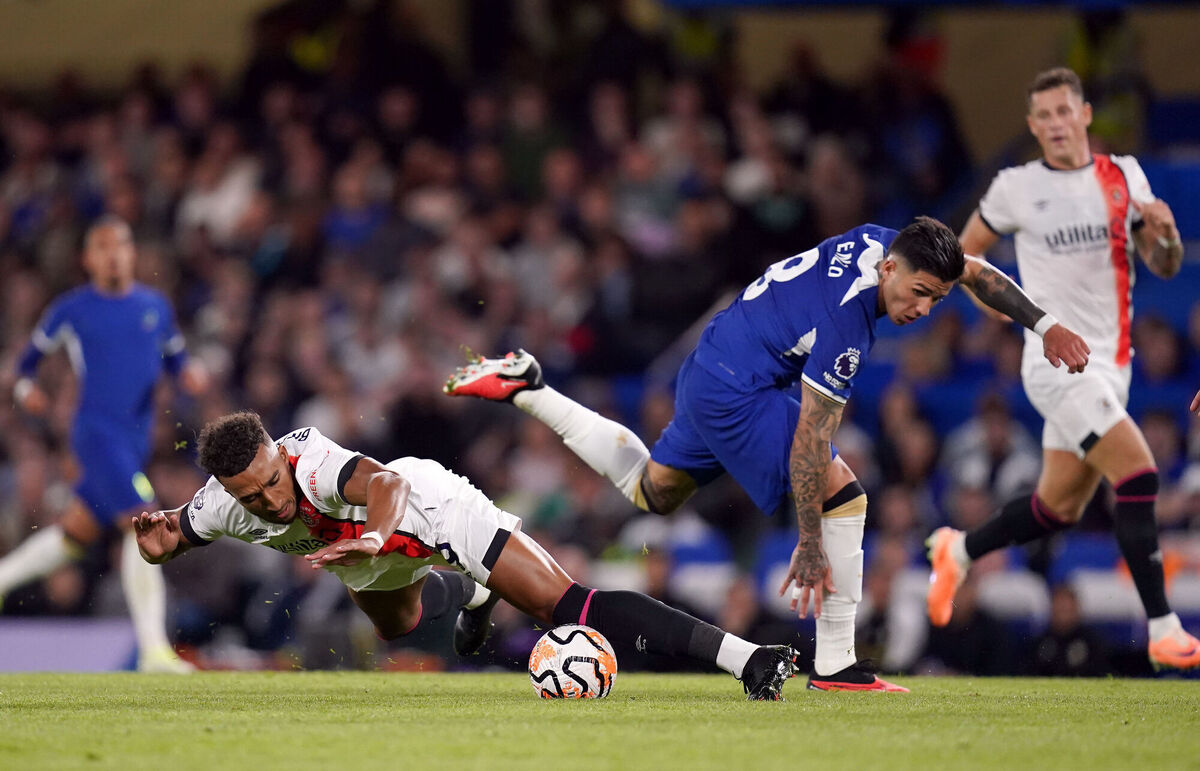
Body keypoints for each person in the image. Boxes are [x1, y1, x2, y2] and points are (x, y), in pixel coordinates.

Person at [444, 216, 1090, 691]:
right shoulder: (849, 319)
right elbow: (811, 438)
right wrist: (809, 539)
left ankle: (531, 388)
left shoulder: (885, 242)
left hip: (720, 359)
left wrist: (1043, 323)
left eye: (935, 299)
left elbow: (974, 272)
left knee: (652, 491)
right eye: (918, 292)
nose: (921, 308)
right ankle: (836, 663)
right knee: (843, 493)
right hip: (740, 386)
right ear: (890, 270)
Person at [132, 411, 800, 700]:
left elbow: (386, 483)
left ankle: (745, 659)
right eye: (252, 495)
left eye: (272, 480)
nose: (271, 500)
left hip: (421, 506)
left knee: (562, 603)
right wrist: (156, 545)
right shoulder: (217, 505)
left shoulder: (312, 467)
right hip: (360, 549)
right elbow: (170, 538)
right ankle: (473, 592)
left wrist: (379, 532)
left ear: (279, 456)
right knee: (397, 624)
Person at [926, 66, 1200, 671]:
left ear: (1083, 116)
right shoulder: (1014, 186)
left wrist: (1169, 239)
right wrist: (990, 301)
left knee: (1060, 507)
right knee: (1138, 473)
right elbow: (962, 257)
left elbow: (1165, 266)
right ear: (1031, 126)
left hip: (1115, 362)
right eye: (1042, 116)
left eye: (1062, 112)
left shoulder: (1123, 175)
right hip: (1054, 362)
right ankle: (1163, 627)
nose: (1053, 124)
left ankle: (959, 549)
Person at [4, 215, 207, 673]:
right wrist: (24, 392)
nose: (114, 254)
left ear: (133, 253)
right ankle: (154, 651)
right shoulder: (72, 309)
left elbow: (177, 361)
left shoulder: (155, 306)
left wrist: (190, 375)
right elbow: (27, 363)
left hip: (135, 439)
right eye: (102, 246)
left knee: (76, 534)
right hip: (95, 434)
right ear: (87, 258)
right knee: (146, 523)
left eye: (121, 245)